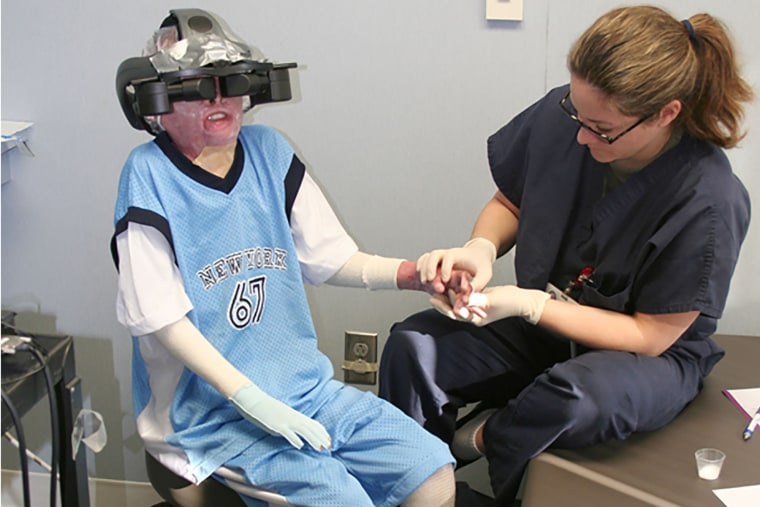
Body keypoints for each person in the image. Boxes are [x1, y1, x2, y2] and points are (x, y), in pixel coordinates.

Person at [378, 5, 753, 506]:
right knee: (415, 344)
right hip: (545, 323)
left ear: (666, 113)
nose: (580, 135)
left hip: (644, 356)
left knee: (575, 396)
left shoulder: (708, 199)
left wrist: (529, 306)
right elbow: (510, 199)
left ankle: (482, 440)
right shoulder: (571, 114)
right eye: (576, 114)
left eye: (600, 129)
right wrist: (479, 249)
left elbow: (650, 334)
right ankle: (410, 485)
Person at [111, 9, 459, 507]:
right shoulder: (148, 175)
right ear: (156, 102)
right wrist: (251, 399)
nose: (219, 99)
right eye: (197, 86)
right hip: (209, 415)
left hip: (303, 388)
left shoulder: (268, 151)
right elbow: (163, 320)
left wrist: (411, 275)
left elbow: (331, 258)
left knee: (433, 475)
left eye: (230, 82)